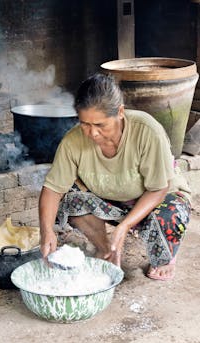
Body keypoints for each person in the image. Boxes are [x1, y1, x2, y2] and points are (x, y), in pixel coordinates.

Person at [39, 73, 191, 281]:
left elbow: (158, 188)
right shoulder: (72, 142)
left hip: (157, 198)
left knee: (169, 215)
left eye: (100, 125)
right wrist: (46, 231)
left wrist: (125, 226)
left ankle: (164, 259)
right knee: (69, 200)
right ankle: (107, 249)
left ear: (120, 112)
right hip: (113, 200)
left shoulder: (146, 131)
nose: (92, 133)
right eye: (85, 124)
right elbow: (53, 189)